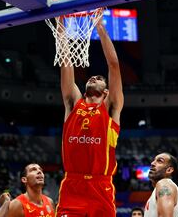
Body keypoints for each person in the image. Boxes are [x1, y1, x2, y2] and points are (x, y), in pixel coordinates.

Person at [56, 19, 124, 217]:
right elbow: (65, 61)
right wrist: (61, 23)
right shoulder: (73, 102)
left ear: (107, 92)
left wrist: (100, 27)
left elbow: (113, 65)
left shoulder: (111, 107)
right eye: (91, 77)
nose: (94, 78)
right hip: (72, 185)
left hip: (100, 185)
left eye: (99, 79)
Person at [144, 153, 178, 217]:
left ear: (169, 170)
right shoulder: (159, 188)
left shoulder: (164, 183)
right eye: (154, 160)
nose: (152, 163)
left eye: (160, 161)